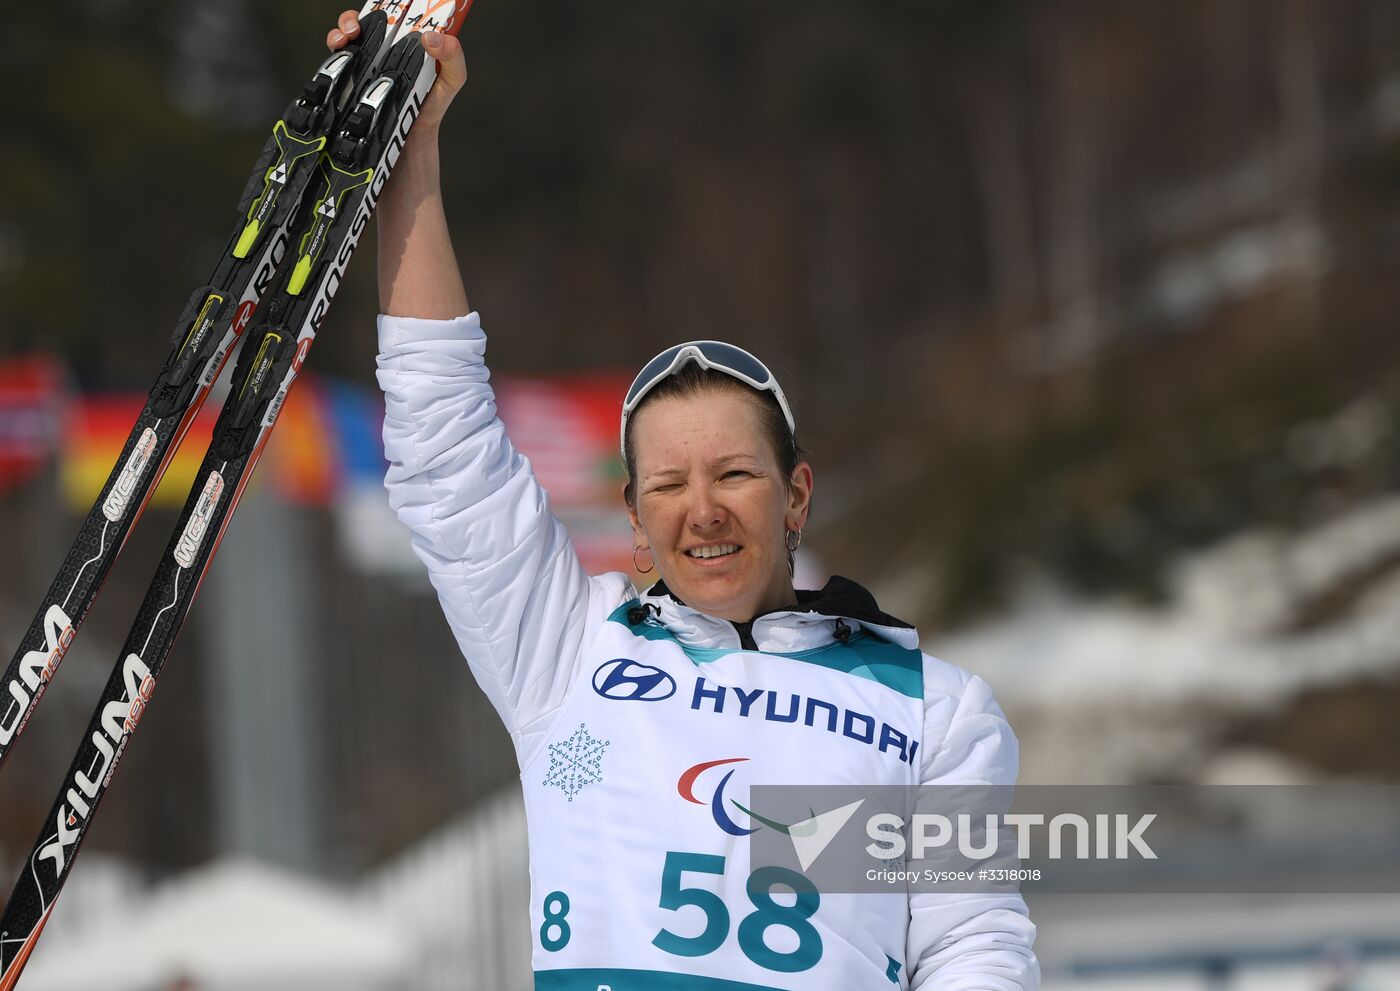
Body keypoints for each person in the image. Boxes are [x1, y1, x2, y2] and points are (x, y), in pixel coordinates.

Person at [334, 10, 1039, 988]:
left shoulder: (935, 712)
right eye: (666, 484)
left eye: (734, 475)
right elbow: (442, 443)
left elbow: (970, 945)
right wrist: (412, 149)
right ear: (633, 516)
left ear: (795, 495)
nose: (700, 510)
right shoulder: (568, 651)